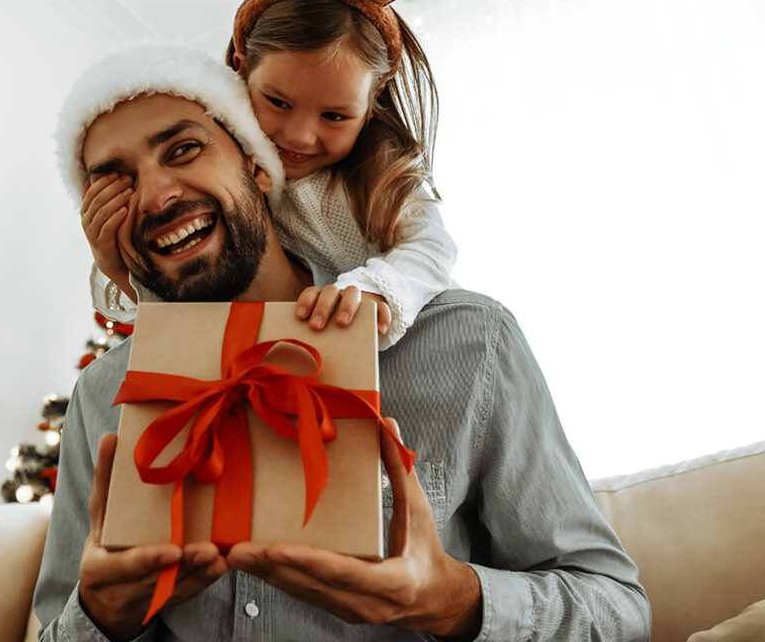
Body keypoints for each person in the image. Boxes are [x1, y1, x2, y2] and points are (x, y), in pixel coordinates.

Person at [38, 41, 651, 641]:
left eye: (185, 149)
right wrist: (100, 617)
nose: (155, 197)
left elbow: (618, 612)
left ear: (256, 162)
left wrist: (448, 601)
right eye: (113, 184)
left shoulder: (468, 342)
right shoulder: (103, 395)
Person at [81, 0, 456, 352]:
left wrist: (378, 290)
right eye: (278, 103)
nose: (299, 136)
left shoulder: (384, 177)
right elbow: (181, 295)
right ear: (241, 74)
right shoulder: (232, 182)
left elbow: (432, 249)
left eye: (334, 116)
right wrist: (113, 264)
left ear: (370, 107)